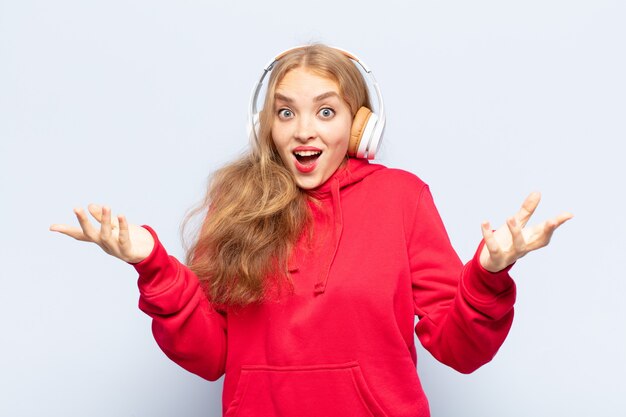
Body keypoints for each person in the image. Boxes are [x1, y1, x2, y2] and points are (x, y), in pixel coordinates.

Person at [50, 44, 572, 417]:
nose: (304, 130)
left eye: (326, 111)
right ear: (267, 126)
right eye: (286, 112)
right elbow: (211, 356)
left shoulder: (403, 198)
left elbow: (460, 350)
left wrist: (487, 274)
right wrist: (153, 266)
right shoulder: (235, 204)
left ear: (361, 125)